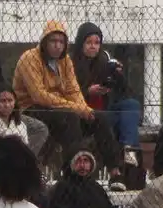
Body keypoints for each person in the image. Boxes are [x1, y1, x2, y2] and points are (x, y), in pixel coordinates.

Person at [13, 20, 122, 172]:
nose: (57, 45)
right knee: (70, 117)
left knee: (99, 118)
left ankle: (115, 171)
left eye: (61, 41)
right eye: (53, 41)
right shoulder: (30, 58)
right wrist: (76, 108)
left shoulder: (65, 61)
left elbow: (73, 90)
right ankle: (73, 168)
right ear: (44, 41)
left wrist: (85, 109)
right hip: (31, 108)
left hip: (61, 108)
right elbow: (39, 95)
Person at [71, 22, 141, 166]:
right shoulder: (71, 63)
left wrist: (117, 75)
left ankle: (129, 149)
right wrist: (88, 91)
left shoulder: (104, 60)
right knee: (102, 118)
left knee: (131, 104)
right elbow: (68, 94)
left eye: (97, 42)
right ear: (81, 43)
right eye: (89, 42)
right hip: (83, 117)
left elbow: (125, 91)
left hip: (105, 110)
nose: (93, 46)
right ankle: (116, 166)